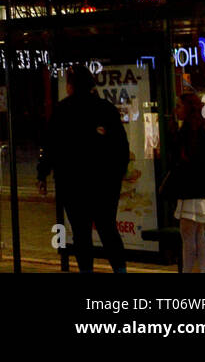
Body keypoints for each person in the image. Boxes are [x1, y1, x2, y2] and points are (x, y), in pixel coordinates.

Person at [37, 65, 129, 273]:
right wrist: (117, 175)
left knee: (81, 233)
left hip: (72, 184)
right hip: (104, 184)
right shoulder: (105, 108)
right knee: (108, 230)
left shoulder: (62, 110)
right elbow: (122, 148)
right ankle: (120, 270)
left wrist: (42, 173)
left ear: (71, 85)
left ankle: (86, 270)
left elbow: (50, 146)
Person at [166, 91, 205, 273]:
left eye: (179, 106)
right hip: (203, 191)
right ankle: (204, 270)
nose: (176, 110)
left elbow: (181, 160)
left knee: (188, 236)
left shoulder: (188, 132)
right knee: (199, 235)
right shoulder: (204, 130)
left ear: (188, 109)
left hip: (190, 190)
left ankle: (188, 271)